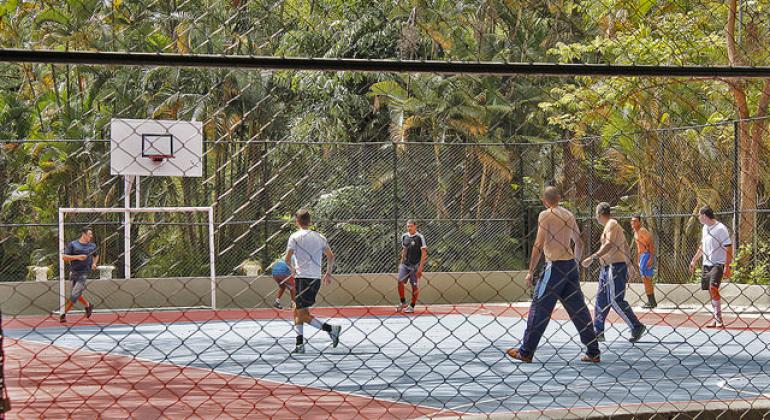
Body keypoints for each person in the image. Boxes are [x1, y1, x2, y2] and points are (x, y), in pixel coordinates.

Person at [507, 186, 600, 363]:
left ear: (544, 201)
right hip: (570, 266)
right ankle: (593, 351)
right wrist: (577, 264)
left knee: (539, 307)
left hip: (554, 267)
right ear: (559, 197)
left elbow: (538, 244)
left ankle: (526, 351)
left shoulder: (546, 215)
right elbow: (578, 242)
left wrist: (530, 271)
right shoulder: (568, 215)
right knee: (579, 310)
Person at [582, 203, 646, 343]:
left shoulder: (612, 224)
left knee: (615, 300)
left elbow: (609, 244)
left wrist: (593, 258)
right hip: (607, 268)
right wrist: (629, 265)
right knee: (601, 300)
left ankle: (636, 326)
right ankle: (598, 331)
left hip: (614, 267)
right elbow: (624, 246)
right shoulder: (611, 226)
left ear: (598, 214)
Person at [285, 209, 341, 354]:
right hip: (315, 278)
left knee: (301, 314)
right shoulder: (320, 237)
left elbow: (287, 258)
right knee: (297, 310)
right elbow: (330, 255)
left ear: (297, 221)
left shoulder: (295, 237)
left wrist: (292, 268)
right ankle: (299, 343)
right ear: (309, 221)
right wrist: (328, 272)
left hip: (302, 278)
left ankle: (331, 329)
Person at [689, 205, 733, 328]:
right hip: (706, 264)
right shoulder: (705, 228)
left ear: (704, 215)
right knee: (710, 290)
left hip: (718, 264)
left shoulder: (720, 229)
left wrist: (727, 266)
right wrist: (694, 260)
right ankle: (715, 316)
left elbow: (729, 246)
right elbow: (702, 246)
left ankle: (719, 318)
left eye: (699, 215)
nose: (698, 217)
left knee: (713, 288)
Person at [60, 227, 98, 323]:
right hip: (74, 272)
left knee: (74, 295)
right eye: (89, 234)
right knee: (76, 294)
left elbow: (96, 255)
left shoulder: (92, 246)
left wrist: (94, 263)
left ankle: (63, 314)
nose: (91, 236)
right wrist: (78, 257)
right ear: (84, 234)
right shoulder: (73, 244)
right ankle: (88, 305)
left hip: (84, 273)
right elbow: (64, 257)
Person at [396, 219, 427, 314]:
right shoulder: (404, 236)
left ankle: (412, 306)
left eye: (411, 226)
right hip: (405, 265)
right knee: (400, 281)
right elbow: (404, 250)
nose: (409, 228)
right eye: (408, 226)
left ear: (415, 226)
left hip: (415, 266)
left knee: (414, 287)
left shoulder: (419, 237)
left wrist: (420, 267)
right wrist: (401, 263)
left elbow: (424, 253)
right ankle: (403, 302)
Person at [631, 214, 657, 309]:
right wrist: (638, 259)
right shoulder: (635, 232)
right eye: (632, 221)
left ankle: (651, 301)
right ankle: (651, 301)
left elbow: (650, 243)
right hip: (642, 256)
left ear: (639, 222)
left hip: (646, 255)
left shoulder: (642, 231)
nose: (633, 223)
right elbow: (639, 247)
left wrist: (650, 257)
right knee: (645, 279)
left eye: (635, 221)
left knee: (647, 279)